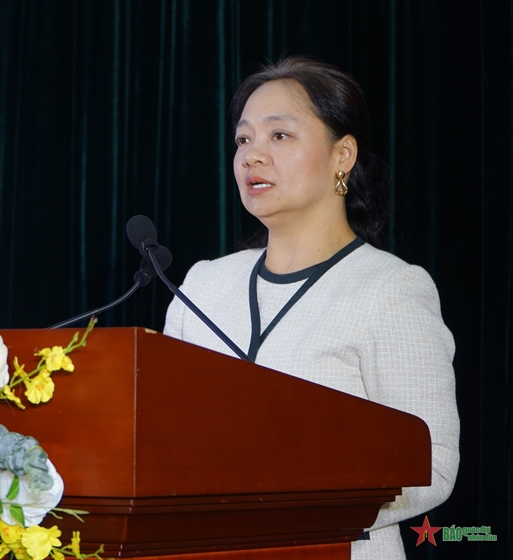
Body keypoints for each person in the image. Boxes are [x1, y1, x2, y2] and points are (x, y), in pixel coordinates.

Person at [163, 57, 459, 559]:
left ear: (342, 155)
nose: (252, 156)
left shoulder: (390, 289)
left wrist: (285, 509)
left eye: (279, 136)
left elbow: (433, 463)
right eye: (243, 139)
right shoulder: (203, 285)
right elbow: (163, 435)